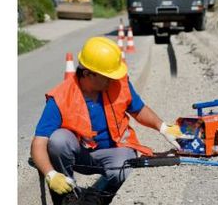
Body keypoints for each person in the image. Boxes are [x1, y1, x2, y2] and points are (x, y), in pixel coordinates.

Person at [31, 37, 189, 205]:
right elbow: (38, 144)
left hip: (113, 152)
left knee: (126, 166)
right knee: (58, 140)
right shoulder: (61, 96)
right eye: (107, 76)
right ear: (87, 73)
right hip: (80, 156)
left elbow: (138, 109)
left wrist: (163, 127)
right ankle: (68, 196)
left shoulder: (118, 84)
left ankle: (98, 196)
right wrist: (51, 174)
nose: (112, 80)